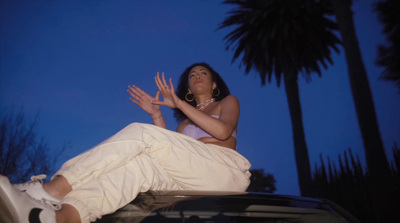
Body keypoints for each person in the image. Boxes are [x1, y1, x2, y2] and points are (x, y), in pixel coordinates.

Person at [0, 62, 251, 223]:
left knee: (140, 133)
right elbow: (169, 149)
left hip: (224, 174)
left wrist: (180, 105)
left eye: (203, 73)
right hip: (189, 183)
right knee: (138, 167)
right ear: (187, 87)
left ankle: (52, 190)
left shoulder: (227, 102)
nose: (197, 76)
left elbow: (222, 131)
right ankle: (60, 218)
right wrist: (156, 114)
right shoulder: (184, 125)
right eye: (192, 74)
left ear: (214, 83)